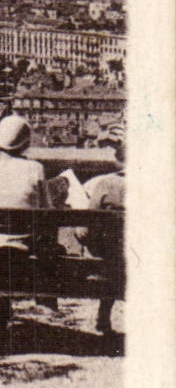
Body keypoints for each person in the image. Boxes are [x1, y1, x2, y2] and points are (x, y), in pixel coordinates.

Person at [0, 114, 57, 309]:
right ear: (26, 143)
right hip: (28, 245)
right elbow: (47, 212)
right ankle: (45, 297)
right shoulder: (35, 169)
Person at [80, 125, 126, 336]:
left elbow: (87, 227)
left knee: (110, 251)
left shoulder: (105, 184)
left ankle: (103, 314)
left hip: (110, 255)